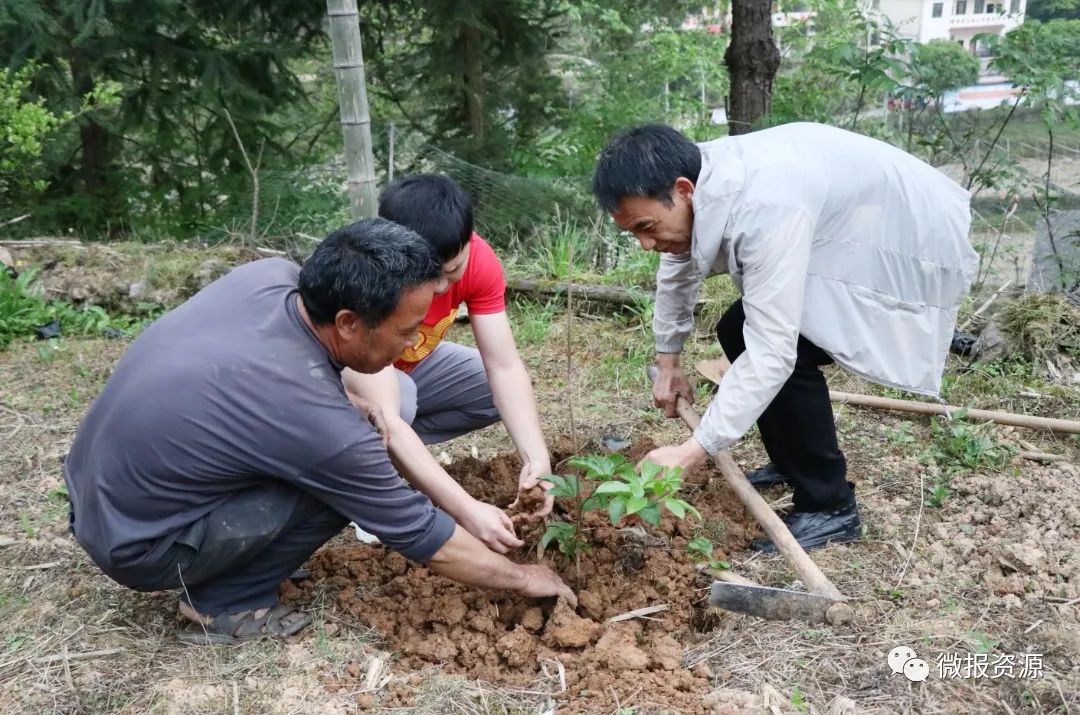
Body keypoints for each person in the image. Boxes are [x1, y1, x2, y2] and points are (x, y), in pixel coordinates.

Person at [63, 218, 574, 645]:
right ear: (350, 322)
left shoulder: (270, 278)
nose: (416, 342)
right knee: (347, 477)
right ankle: (223, 604)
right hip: (142, 544)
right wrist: (524, 578)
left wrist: (344, 400)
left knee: (346, 441)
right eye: (404, 331)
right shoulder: (317, 425)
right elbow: (424, 536)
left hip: (101, 495)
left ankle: (238, 562)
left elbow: (260, 383)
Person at [592, 122, 977, 552]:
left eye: (647, 226)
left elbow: (772, 352)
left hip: (901, 238)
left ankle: (829, 505)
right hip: (843, 223)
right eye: (633, 233)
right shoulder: (697, 179)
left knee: (786, 347)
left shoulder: (765, 207)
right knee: (737, 328)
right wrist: (669, 362)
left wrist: (693, 450)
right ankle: (794, 462)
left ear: (683, 191)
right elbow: (678, 266)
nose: (646, 244)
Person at [343, 175, 554, 553]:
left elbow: (503, 365)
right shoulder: (367, 273)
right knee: (397, 404)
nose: (440, 288)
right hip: (352, 381)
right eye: (427, 275)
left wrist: (536, 457)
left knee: (488, 386)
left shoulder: (478, 259)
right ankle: (372, 480)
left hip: (411, 363)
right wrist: (467, 509)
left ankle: (400, 453)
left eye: (452, 270)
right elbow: (386, 412)